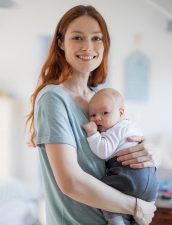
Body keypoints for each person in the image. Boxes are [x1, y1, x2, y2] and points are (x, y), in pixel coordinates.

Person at [26, 5, 158, 225]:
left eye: (96, 38)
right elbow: (70, 182)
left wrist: (148, 153)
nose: (88, 46)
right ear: (61, 43)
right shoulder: (53, 98)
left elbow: (125, 139)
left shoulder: (99, 97)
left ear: (105, 45)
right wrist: (135, 207)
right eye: (77, 38)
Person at [82, 88, 158, 225]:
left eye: (105, 113)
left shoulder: (114, 129)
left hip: (128, 177)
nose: (98, 118)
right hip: (151, 185)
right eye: (93, 115)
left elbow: (104, 151)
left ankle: (115, 221)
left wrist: (93, 134)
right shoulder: (130, 126)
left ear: (120, 112)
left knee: (101, 192)